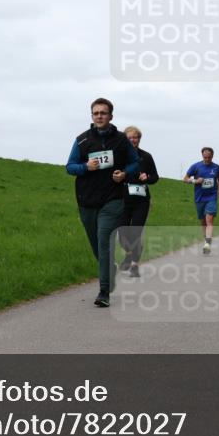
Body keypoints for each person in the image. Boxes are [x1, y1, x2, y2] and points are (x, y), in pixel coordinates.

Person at [66, 98, 140, 307]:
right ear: (92, 116)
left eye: (103, 113)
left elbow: (135, 162)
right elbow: (70, 166)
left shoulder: (120, 140)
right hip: (87, 199)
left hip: (112, 199)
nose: (99, 116)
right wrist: (85, 167)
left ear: (111, 116)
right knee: (96, 245)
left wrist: (124, 173)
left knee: (104, 241)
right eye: (96, 113)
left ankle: (104, 292)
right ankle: (109, 269)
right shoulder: (82, 140)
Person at [118, 126, 159, 278]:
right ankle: (129, 255)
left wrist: (147, 178)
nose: (133, 140)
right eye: (130, 137)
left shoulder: (146, 156)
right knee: (122, 234)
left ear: (139, 139)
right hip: (123, 198)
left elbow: (155, 177)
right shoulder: (120, 157)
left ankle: (134, 265)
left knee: (135, 232)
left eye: (135, 137)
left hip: (141, 200)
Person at [183, 147, 219, 254]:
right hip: (199, 198)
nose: (207, 159)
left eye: (209, 157)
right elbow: (185, 179)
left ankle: (207, 244)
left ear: (212, 156)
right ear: (202, 156)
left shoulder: (216, 167)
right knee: (203, 222)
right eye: (205, 157)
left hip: (211, 197)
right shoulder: (196, 166)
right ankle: (206, 240)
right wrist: (195, 181)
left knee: (209, 220)